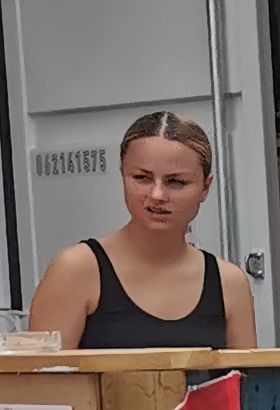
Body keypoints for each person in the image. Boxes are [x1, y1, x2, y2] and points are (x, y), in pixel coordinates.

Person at [24, 109, 256, 351]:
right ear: (123, 176)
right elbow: (41, 373)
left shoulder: (229, 283)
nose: (157, 195)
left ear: (205, 188)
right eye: (142, 178)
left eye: (176, 181)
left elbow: (250, 374)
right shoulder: (76, 270)